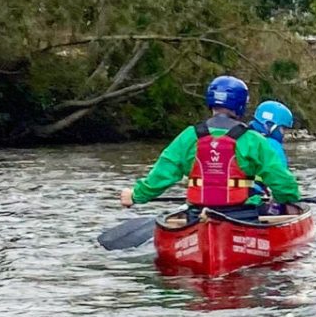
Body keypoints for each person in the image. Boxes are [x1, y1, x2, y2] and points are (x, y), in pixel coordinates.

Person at [118, 75, 302, 218]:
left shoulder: (189, 137)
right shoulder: (253, 140)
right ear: (241, 106)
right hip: (243, 215)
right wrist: (290, 202)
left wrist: (135, 196)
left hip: (197, 213)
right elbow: (282, 181)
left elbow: (162, 174)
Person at [248, 100, 295, 209]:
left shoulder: (239, 137)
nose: (283, 134)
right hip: (253, 203)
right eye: (283, 129)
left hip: (228, 200)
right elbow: (282, 183)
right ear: (271, 125)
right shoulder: (272, 145)